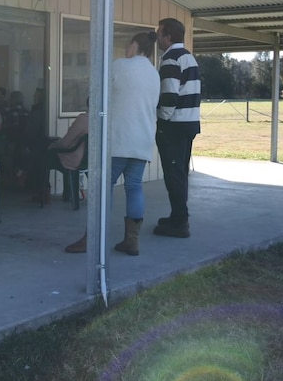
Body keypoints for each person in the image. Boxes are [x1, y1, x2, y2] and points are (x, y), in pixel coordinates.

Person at [64, 32, 160, 255]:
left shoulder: (119, 67)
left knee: (102, 189)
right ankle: (131, 241)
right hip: (142, 140)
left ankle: (92, 239)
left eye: (128, 45)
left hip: (118, 140)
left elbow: (98, 95)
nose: (126, 49)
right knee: (134, 187)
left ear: (135, 45)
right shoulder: (154, 74)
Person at [152, 18, 201, 239]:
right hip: (189, 123)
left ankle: (180, 222)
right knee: (180, 173)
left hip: (174, 126)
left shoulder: (171, 59)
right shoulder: (188, 57)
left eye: (159, 33)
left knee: (174, 175)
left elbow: (169, 96)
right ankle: (178, 216)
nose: (157, 38)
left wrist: (161, 118)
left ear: (168, 36)